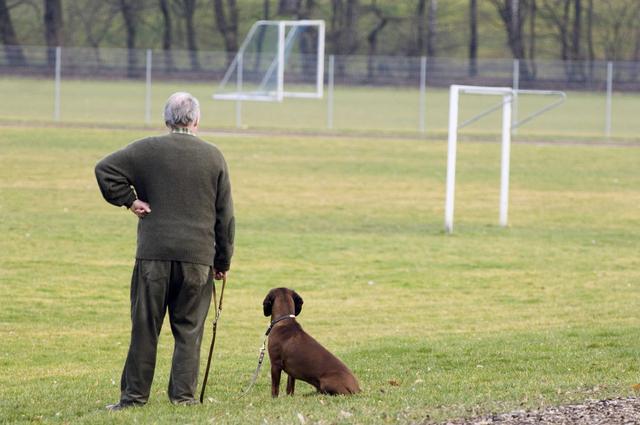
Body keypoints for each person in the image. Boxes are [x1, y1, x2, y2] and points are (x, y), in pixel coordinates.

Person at [95, 92, 234, 410]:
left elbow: (105, 170)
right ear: (197, 120)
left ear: (167, 121)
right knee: (189, 329)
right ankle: (183, 398)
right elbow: (225, 217)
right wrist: (222, 261)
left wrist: (130, 200)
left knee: (145, 327)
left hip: (153, 256)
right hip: (198, 260)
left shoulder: (145, 149)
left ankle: (133, 398)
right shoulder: (214, 157)